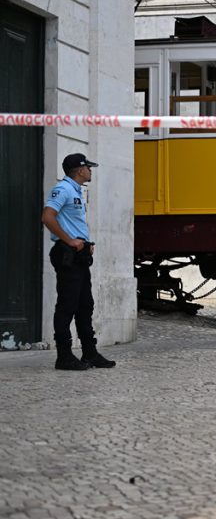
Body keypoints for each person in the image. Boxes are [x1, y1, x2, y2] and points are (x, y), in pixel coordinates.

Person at [40, 154, 115, 370]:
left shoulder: (76, 191)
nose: (91, 171)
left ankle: (90, 354)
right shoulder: (63, 189)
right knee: (67, 306)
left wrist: (84, 242)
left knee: (85, 305)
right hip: (66, 255)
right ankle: (64, 356)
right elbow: (47, 217)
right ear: (80, 170)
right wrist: (70, 240)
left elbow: (72, 223)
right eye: (88, 168)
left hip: (79, 256)